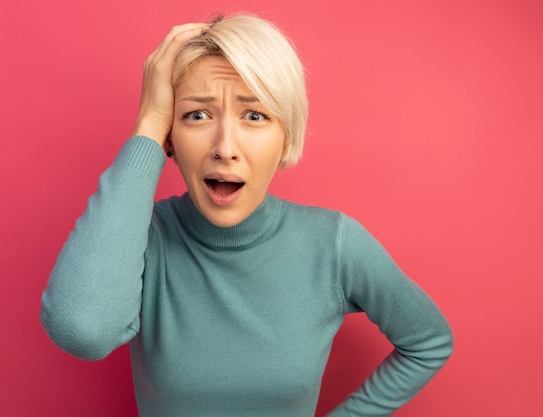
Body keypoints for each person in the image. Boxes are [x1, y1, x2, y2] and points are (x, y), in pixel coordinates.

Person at [40, 13, 453, 417]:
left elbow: (428, 341)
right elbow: (82, 332)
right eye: (196, 115)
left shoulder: (334, 243)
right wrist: (148, 123)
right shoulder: (139, 240)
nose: (225, 146)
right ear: (170, 138)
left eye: (254, 115)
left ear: (285, 135)